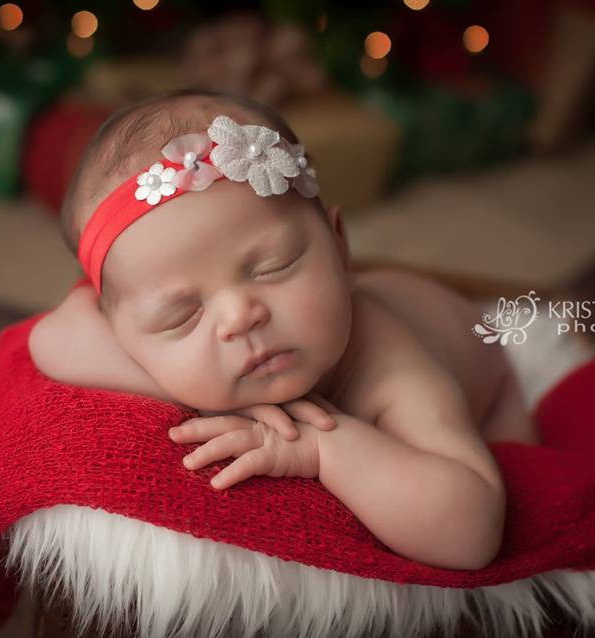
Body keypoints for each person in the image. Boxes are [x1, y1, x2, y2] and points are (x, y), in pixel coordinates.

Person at [28, 90, 537, 570]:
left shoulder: (390, 364)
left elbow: (471, 531)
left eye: (273, 267)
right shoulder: (139, 332)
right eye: (180, 317)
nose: (240, 317)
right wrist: (200, 390)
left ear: (339, 246)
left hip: (489, 377)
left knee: (534, 491)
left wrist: (324, 449)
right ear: (123, 333)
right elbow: (50, 337)